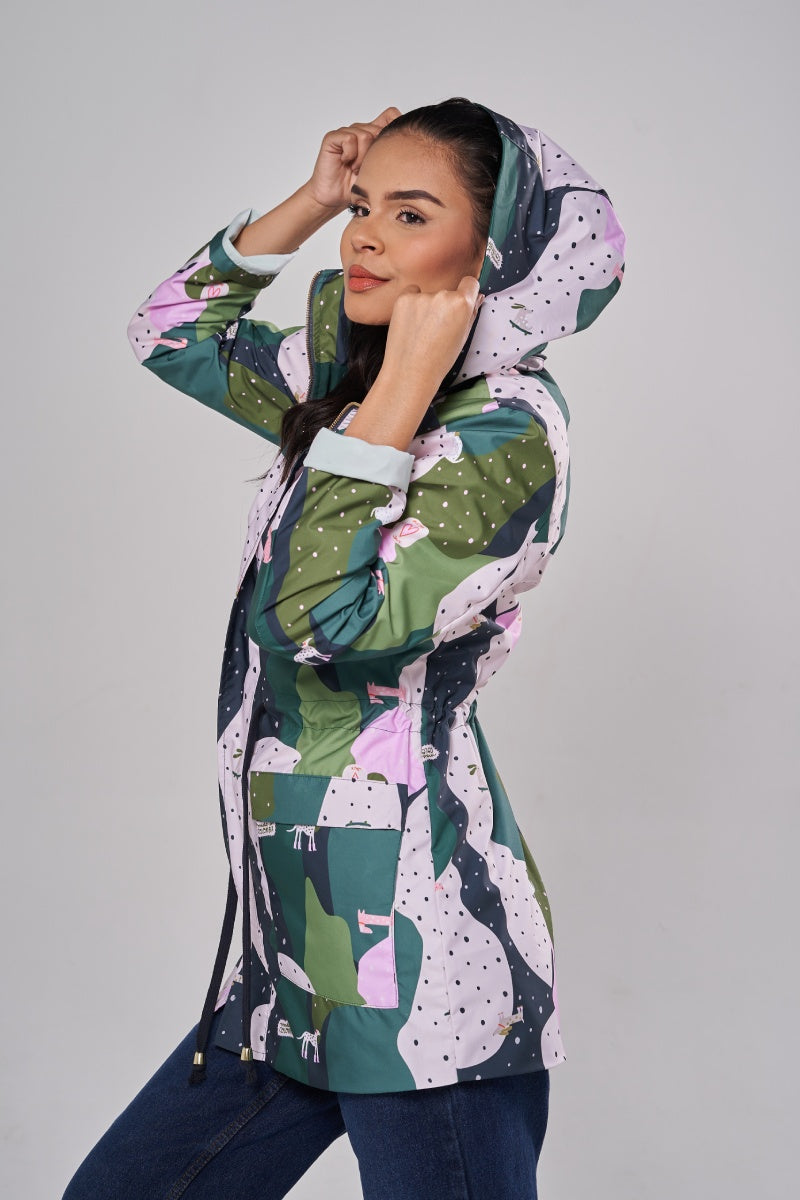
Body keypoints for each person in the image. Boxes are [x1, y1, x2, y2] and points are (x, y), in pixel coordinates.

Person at [63, 97, 626, 1199]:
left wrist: (401, 392)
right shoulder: (347, 388)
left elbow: (314, 621)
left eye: (408, 214)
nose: (362, 236)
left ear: (492, 256)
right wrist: (310, 199)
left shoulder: (503, 433)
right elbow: (169, 335)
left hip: (420, 969)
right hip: (289, 956)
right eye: (361, 206)